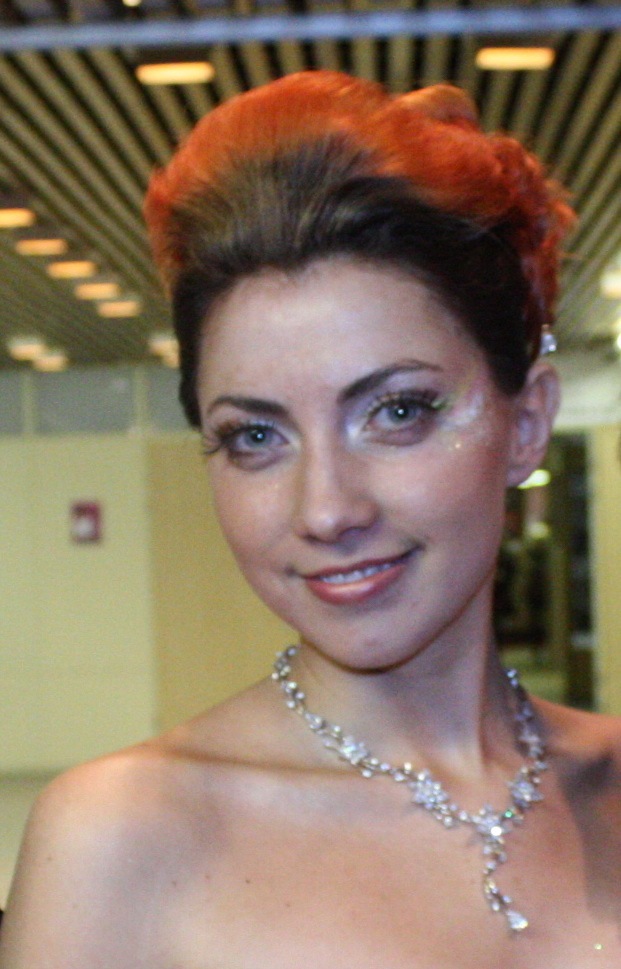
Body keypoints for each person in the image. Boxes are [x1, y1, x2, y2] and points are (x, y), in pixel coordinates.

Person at [1, 70, 620, 968]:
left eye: (396, 412)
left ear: (524, 425)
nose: (327, 509)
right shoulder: (121, 841)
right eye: (255, 435)